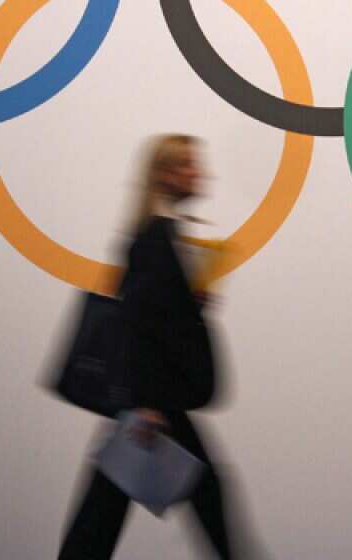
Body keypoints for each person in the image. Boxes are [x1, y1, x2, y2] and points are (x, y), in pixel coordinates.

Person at [58, 134, 236, 560]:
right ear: (165, 176)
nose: (200, 173)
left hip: (155, 405)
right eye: (188, 165)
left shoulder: (163, 238)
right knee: (207, 505)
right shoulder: (156, 241)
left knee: (100, 519)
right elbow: (139, 328)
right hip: (157, 407)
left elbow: (153, 318)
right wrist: (147, 405)